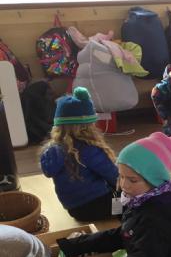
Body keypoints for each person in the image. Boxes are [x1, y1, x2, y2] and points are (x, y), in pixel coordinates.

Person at [40, 87, 119, 221]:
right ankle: (123, 214)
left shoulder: (52, 149)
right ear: (87, 126)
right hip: (99, 205)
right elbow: (114, 176)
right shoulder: (88, 148)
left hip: (74, 209)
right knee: (137, 199)